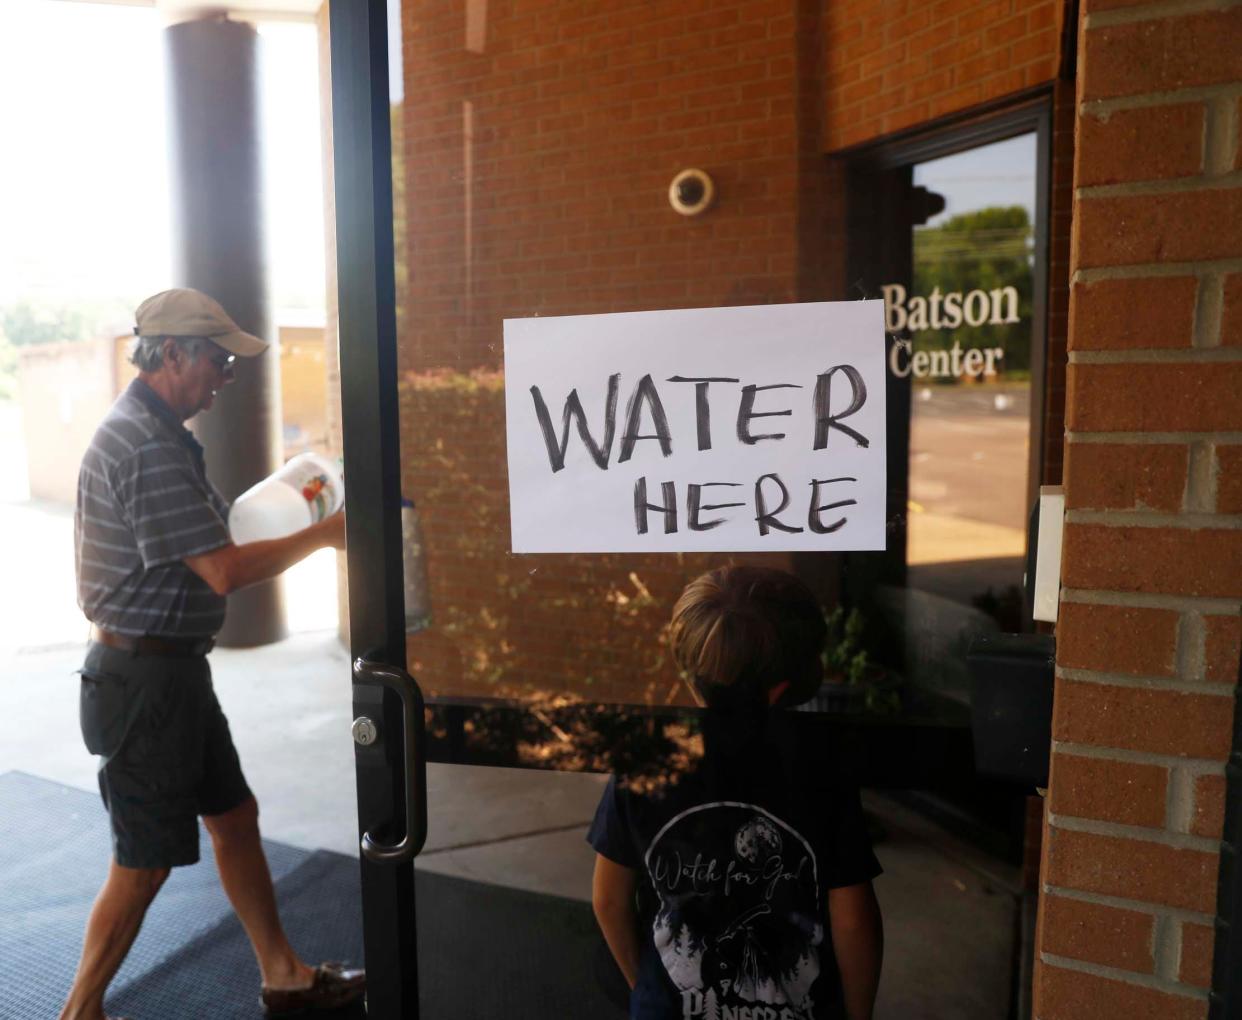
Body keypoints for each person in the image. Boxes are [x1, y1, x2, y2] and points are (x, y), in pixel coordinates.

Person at [62, 288, 363, 1020]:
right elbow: (223, 570)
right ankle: (79, 1011)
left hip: (172, 672)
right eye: (219, 361)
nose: (228, 377)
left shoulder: (161, 433)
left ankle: (285, 975)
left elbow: (212, 546)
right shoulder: (143, 444)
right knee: (145, 863)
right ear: (172, 356)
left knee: (234, 817)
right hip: (142, 685)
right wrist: (327, 535)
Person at [588, 566, 884, 1020]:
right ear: (784, 687)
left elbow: (608, 899)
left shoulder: (648, 757)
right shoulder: (818, 763)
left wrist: (646, 989)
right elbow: (853, 919)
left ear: (690, 673)